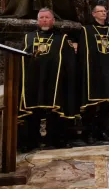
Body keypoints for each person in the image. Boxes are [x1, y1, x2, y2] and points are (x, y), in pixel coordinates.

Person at [18, 8, 77, 149]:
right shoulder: (28, 38)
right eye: (41, 17)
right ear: (38, 21)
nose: (44, 20)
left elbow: (70, 62)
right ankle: (32, 141)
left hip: (54, 81)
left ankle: (54, 140)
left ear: (53, 20)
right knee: (33, 111)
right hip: (33, 81)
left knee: (54, 112)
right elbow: (21, 59)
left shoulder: (62, 39)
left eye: (47, 17)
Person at [78, 5, 109, 144]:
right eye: (100, 11)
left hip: (108, 73)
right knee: (91, 106)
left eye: (105, 11)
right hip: (93, 73)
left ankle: (103, 132)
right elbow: (82, 53)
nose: (104, 13)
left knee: (105, 106)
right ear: (93, 14)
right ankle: (89, 133)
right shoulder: (87, 30)